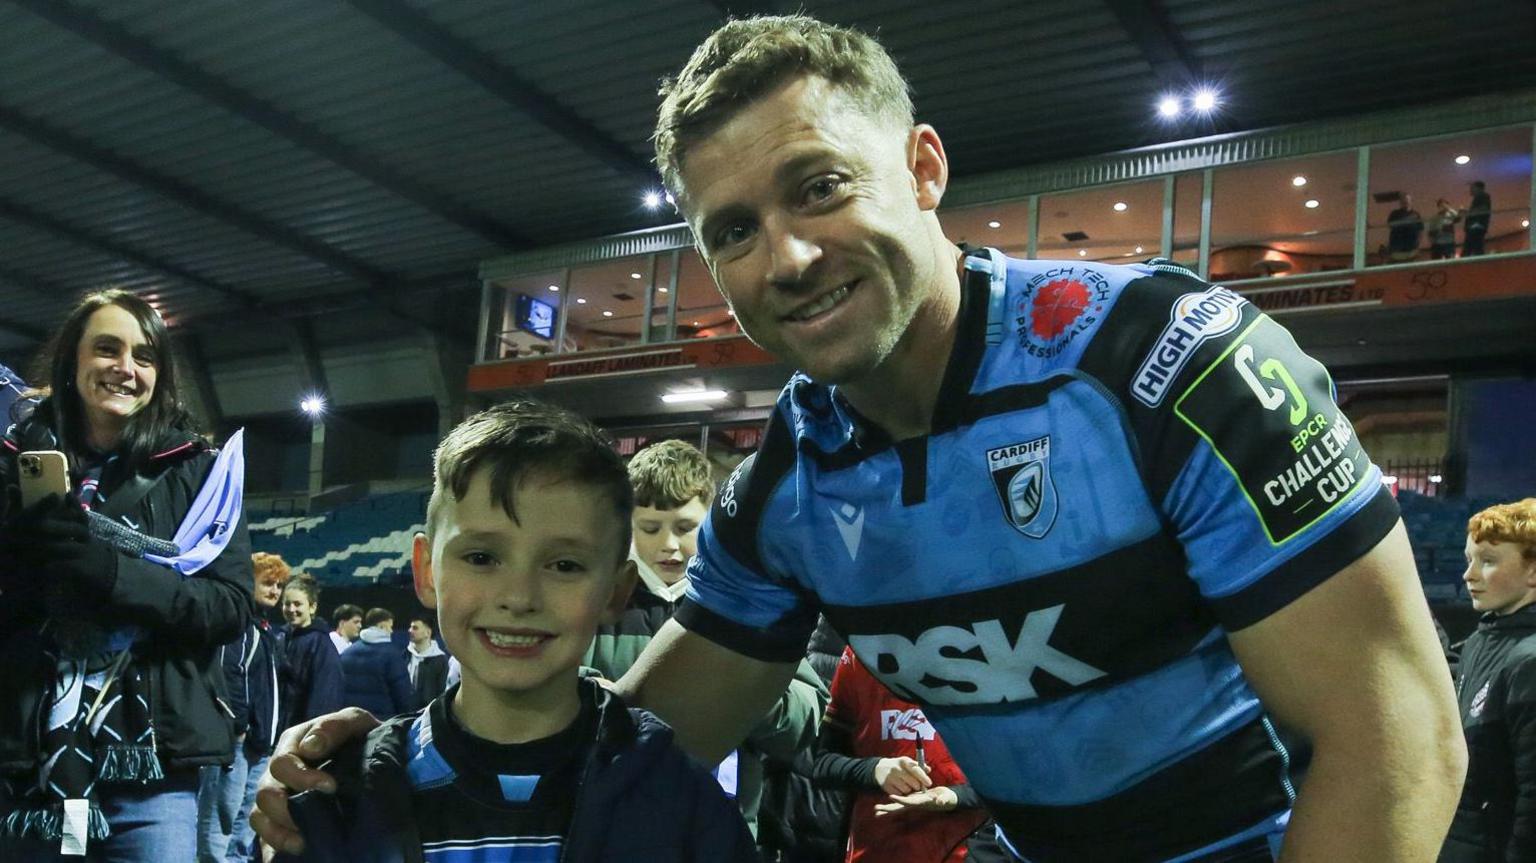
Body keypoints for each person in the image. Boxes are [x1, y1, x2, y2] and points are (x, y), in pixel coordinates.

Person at [256, 15, 1465, 862]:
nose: (783, 256)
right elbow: (641, 735)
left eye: (820, 187)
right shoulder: (781, 483)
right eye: (733, 230)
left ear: (924, 168)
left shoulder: (1171, 361)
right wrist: (379, 758)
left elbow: (1398, 739)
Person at [272, 401, 758, 862]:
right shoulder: (345, 795)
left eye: (565, 565)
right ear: (426, 571)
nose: (519, 597)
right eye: (481, 558)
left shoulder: (681, 798)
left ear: (616, 591)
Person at [0, 288, 252, 860]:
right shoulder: (13, 468)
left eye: (144, 356)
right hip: (27, 769)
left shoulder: (199, 474)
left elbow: (228, 607)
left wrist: (113, 574)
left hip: (151, 774)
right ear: (73, 363)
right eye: (107, 349)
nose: (125, 368)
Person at [585, 438, 827, 845]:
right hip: (611, 833)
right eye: (649, 528)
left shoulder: (751, 602)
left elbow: (809, 722)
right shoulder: (596, 602)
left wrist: (747, 694)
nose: (668, 545)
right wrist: (590, 697)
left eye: (684, 528)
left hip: (725, 834)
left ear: (712, 519)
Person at [812, 647, 987, 862]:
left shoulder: (989, 652)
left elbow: (1024, 781)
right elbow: (822, 763)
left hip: (965, 848)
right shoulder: (861, 654)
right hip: (873, 849)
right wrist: (874, 770)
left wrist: (956, 796)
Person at [1441, 498, 1536, 862]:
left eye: (1488, 562)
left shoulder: (1529, 661)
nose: (1469, 575)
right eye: (1469, 560)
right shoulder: (1480, 641)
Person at [197, 552, 287, 863]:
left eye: (278, 585)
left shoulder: (263, 630)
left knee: (244, 823)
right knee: (221, 821)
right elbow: (229, 676)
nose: (275, 590)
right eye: (267, 583)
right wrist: (236, 727)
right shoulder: (238, 628)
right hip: (238, 743)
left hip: (259, 744)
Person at [276, 576, 345, 730]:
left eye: (297, 604)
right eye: (287, 604)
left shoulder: (321, 645)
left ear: (312, 607)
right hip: (278, 734)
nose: (291, 609)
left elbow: (325, 698)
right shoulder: (280, 640)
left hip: (301, 734)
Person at [338, 608, 414, 719]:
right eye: (390, 626)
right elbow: (403, 695)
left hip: (350, 722)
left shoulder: (346, 653)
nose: (392, 631)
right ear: (381, 626)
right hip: (381, 723)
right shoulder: (392, 655)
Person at [404, 614, 449, 709]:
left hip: (427, 713)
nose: (410, 630)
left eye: (415, 628)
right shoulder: (404, 655)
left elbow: (442, 691)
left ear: (428, 633)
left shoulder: (440, 660)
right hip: (403, 710)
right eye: (410, 627)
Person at [1387, 193, 1424, 262]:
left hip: (1412, 249)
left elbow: (1421, 230)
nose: (1405, 202)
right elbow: (1390, 226)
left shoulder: (1416, 214)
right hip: (1397, 250)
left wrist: (1418, 245)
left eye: (1407, 200)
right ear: (1400, 203)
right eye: (1403, 200)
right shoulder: (1394, 213)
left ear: (1411, 201)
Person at [1464, 180, 1491, 256]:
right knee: (1476, 249)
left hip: (1476, 227)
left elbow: (1483, 209)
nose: (1470, 190)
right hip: (1476, 227)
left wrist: (1469, 213)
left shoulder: (1483, 196)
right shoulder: (1482, 197)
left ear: (1478, 188)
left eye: (1472, 187)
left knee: (1470, 250)